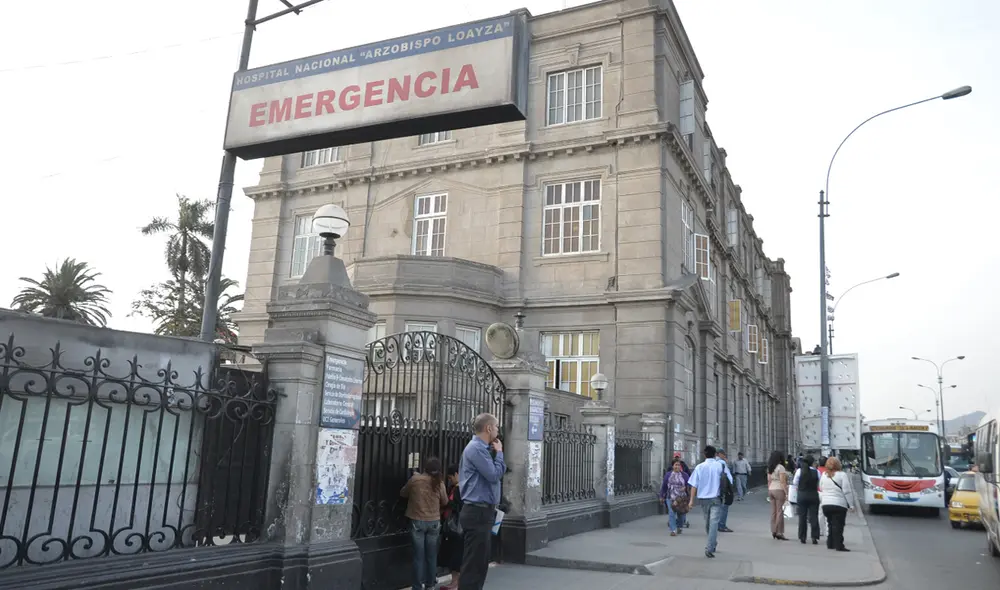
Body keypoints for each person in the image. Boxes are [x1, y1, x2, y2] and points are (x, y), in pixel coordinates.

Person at [458, 413, 506, 590]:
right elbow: (493, 475)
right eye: (496, 427)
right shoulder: (476, 449)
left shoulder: (483, 449)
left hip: (483, 511)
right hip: (477, 511)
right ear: (488, 428)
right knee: (474, 564)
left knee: (480, 562)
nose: (498, 430)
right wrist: (499, 453)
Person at [401, 457, 448, 590]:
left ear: (425, 468)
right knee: (431, 556)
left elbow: (403, 493)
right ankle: (430, 585)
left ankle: (417, 586)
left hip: (417, 520)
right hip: (434, 521)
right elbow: (444, 501)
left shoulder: (415, 480)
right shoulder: (439, 483)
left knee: (418, 556)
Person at [687, 445, 733, 558]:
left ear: (704, 454)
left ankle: (709, 547)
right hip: (716, 498)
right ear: (715, 454)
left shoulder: (699, 467)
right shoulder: (720, 465)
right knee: (711, 523)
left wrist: (691, 500)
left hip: (703, 499)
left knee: (710, 522)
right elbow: (729, 480)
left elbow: (694, 485)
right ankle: (712, 542)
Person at [820, 456, 856, 552]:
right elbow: (847, 491)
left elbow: (821, 487)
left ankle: (830, 543)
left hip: (826, 504)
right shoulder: (842, 475)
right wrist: (851, 505)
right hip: (839, 504)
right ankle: (839, 545)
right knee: (838, 525)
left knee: (830, 524)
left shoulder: (824, 474)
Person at [439, 465, 464, 590]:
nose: (450, 480)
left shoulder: (460, 489)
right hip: (452, 527)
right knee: (453, 555)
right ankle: (454, 582)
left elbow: (459, 506)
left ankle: (456, 583)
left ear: (457, 474)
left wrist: (448, 503)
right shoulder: (456, 488)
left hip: (457, 527)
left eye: (451, 477)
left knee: (456, 556)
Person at [793, 454, 821, 545]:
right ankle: (814, 537)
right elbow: (819, 483)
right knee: (814, 516)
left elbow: (795, 483)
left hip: (802, 495)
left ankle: (802, 537)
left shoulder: (799, 471)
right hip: (813, 495)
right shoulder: (817, 472)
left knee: (802, 517)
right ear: (812, 462)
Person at [660, 459, 689, 536]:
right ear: (673, 466)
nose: (677, 466)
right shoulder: (668, 475)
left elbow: (689, 485)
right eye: (675, 465)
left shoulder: (685, 475)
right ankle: (673, 530)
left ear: (681, 466)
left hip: (681, 498)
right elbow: (664, 486)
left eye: (678, 465)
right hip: (670, 496)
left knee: (681, 514)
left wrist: (686, 488)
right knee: (671, 513)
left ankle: (679, 526)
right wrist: (662, 496)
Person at [767, 450, 789, 540]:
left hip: (771, 489)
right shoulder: (781, 467)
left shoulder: (770, 467)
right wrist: (786, 493)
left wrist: (769, 490)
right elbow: (782, 481)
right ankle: (779, 532)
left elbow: (768, 480)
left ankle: (773, 530)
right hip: (779, 489)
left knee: (773, 512)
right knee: (780, 511)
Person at [715, 449, 735, 533]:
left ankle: (716, 524)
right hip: (725, 488)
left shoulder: (716, 463)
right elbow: (726, 474)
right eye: (723, 454)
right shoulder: (721, 463)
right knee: (724, 507)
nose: (724, 455)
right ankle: (722, 525)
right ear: (718, 454)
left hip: (719, 488)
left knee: (718, 507)